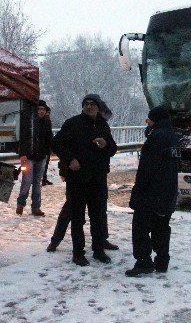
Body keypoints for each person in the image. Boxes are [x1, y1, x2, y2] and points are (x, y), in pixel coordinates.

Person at [51, 94, 118, 266]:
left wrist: (106, 145)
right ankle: (78, 253)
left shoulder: (103, 125)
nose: (89, 107)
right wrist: (69, 159)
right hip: (78, 179)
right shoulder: (73, 123)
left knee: (97, 217)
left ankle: (98, 250)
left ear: (98, 107)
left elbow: (112, 148)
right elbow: (57, 143)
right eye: (86, 104)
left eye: (92, 104)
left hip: (97, 178)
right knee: (77, 217)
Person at [125, 105, 180, 277]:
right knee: (162, 226)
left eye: (149, 119)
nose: (146, 122)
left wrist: (138, 190)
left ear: (154, 120)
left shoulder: (155, 138)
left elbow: (146, 169)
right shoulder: (173, 136)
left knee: (140, 226)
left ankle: (143, 262)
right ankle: (162, 260)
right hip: (168, 190)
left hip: (151, 191)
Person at [16, 100, 53, 217]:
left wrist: (48, 154)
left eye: (43, 109)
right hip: (28, 156)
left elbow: (49, 139)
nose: (41, 111)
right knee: (27, 181)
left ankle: (36, 207)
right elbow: (22, 138)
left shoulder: (47, 122)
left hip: (42, 157)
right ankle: (20, 204)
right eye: (39, 109)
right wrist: (22, 154)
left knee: (37, 182)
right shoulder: (28, 122)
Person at [41, 106, 54, 186]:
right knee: (44, 164)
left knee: (45, 164)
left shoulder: (46, 121)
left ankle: (44, 179)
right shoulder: (46, 121)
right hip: (45, 147)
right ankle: (43, 179)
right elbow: (49, 135)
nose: (48, 114)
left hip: (46, 146)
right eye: (48, 112)